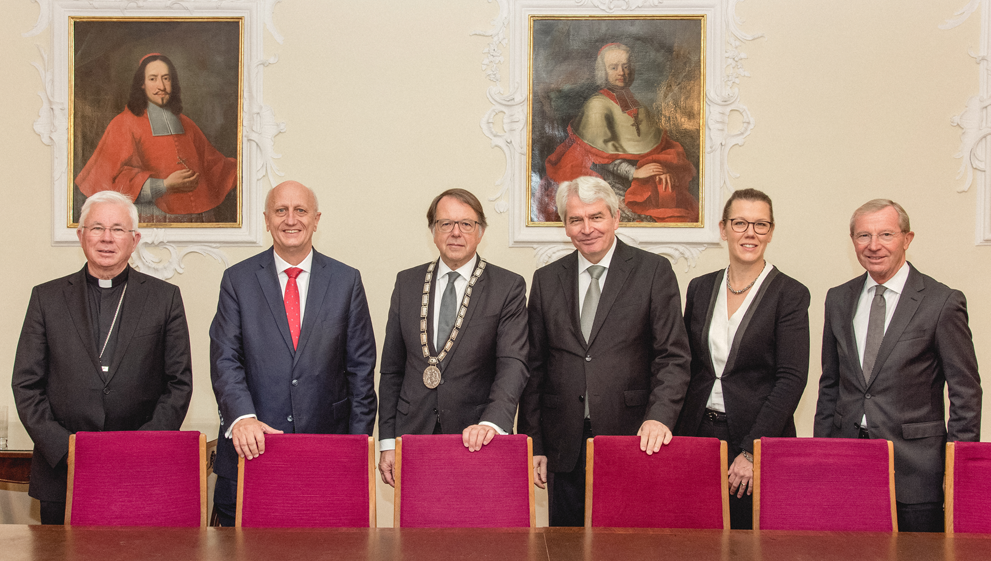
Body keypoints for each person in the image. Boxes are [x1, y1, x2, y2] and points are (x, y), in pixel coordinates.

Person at [518, 175, 692, 526]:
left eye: (596, 217)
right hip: (562, 442)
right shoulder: (546, 279)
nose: (587, 228)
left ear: (616, 218)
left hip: (634, 435)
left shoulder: (653, 271)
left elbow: (673, 356)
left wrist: (659, 417)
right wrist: (533, 443)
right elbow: (534, 366)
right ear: (564, 226)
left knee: (627, 543)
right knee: (565, 546)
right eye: (575, 219)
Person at [11, 190, 193, 525]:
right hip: (61, 471)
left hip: (139, 470)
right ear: (81, 236)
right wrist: (66, 450)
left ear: (134, 239)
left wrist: (142, 448)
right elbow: (26, 384)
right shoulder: (46, 298)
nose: (107, 238)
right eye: (96, 228)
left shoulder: (164, 299)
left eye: (118, 229)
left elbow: (179, 384)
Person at [209, 180, 377, 527]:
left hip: (326, 453)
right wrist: (242, 418)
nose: (291, 219)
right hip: (253, 450)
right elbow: (225, 359)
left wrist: (358, 447)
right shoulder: (237, 281)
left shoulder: (347, 281)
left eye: (300, 210)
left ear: (316, 220)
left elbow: (361, 371)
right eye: (280, 211)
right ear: (267, 220)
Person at [814, 199, 982, 532]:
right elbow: (830, 385)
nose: (873, 246)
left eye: (886, 234)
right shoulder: (838, 299)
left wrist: (958, 469)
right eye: (864, 236)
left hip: (917, 473)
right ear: (853, 242)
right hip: (847, 462)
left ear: (907, 239)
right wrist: (823, 456)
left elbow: (965, 393)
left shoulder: (942, 302)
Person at [674, 188, 810, 529]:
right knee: (693, 535)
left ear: (771, 231)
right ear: (723, 229)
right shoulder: (700, 288)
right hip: (698, 434)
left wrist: (752, 451)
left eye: (760, 224)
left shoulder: (790, 294)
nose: (750, 232)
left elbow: (791, 379)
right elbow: (686, 365)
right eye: (740, 223)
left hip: (755, 437)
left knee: (747, 542)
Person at [377, 189, 529, 485]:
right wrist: (387, 441)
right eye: (445, 224)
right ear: (433, 231)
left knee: (474, 528)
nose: (455, 233)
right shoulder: (406, 283)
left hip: (477, 435)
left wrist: (493, 422)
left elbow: (514, 363)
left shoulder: (507, 287)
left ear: (481, 231)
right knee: (414, 529)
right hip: (413, 433)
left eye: (466, 224)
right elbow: (392, 369)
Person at [535, 43, 698, 223]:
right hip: (601, 176)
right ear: (603, 71)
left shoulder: (638, 105)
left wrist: (660, 169)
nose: (622, 72)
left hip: (637, 177)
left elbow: (654, 149)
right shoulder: (597, 105)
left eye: (626, 66)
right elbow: (598, 157)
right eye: (614, 67)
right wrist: (634, 173)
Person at [75, 53, 237, 222]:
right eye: (153, 79)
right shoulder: (123, 124)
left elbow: (214, 164)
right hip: (154, 218)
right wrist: (164, 185)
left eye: (166, 78)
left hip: (198, 217)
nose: (161, 86)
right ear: (142, 84)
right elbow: (109, 179)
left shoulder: (186, 123)